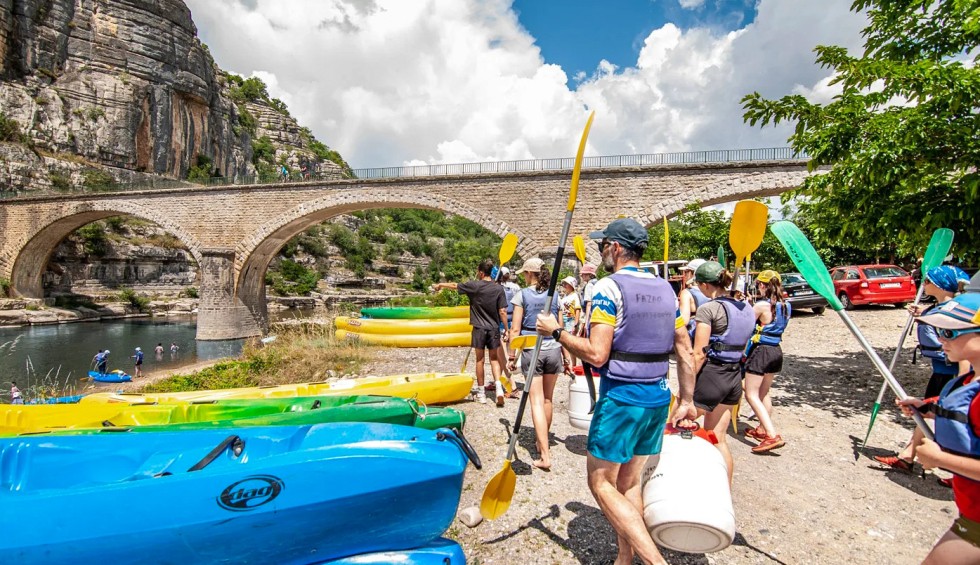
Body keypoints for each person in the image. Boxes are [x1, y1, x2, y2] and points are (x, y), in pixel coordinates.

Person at [536, 217, 697, 565]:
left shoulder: (608, 289)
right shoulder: (666, 291)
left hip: (623, 399)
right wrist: (687, 400)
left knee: (601, 484)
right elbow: (684, 348)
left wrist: (556, 332)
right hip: (658, 398)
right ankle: (625, 560)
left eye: (602, 245)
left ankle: (656, 562)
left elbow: (597, 353)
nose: (601, 251)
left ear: (617, 248)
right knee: (629, 482)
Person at [893, 293, 980, 563]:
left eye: (950, 331)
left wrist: (940, 459)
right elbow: (963, 413)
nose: (941, 338)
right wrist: (928, 408)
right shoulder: (970, 379)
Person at [875, 265, 971, 473]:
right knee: (926, 412)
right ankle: (908, 455)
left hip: (950, 374)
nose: (923, 284)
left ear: (940, 285)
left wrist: (963, 384)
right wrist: (924, 312)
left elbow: (964, 354)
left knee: (953, 420)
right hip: (941, 372)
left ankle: (953, 469)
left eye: (927, 281)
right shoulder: (941, 308)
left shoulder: (956, 312)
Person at [692, 261, 756, 482]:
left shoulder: (708, 309)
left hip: (712, 375)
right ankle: (724, 491)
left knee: (674, 425)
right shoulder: (747, 308)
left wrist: (687, 383)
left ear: (705, 285)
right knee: (717, 437)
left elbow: (699, 352)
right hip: (734, 376)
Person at [508, 257, 564, 470]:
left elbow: (515, 329)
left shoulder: (521, 295)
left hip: (533, 350)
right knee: (548, 399)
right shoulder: (556, 295)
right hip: (554, 349)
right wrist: (566, 356)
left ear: (530, 274)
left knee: (536, 402)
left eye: (524, 273)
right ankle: (542, 443)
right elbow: (560, 327)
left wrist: (511, 356)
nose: (523, 276)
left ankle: (545, 456)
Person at [433, 258, 508, 405]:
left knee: (480, 360)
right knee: (494, 359)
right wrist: (506, 329)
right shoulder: (498, 288)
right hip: (493, 328)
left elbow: (455, 285)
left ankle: (481, 393)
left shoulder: (474, 286)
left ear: (480, 272)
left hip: (479, 328)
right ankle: (499, 389)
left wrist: (441, 284)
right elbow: (503, 311)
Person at [743, 270, 791, 453]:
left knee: (751, 394)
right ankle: (763, 429)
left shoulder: (762, 306)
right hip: (776, 351)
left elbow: (746, 324)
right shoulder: (785, 305)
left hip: (761, 352)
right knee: (764, 393)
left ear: (762, 285)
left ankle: (771, 434)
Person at [678, 259, 709, 343]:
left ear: (693, 273)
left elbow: (684, 321)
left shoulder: (687, 293)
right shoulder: (712, 291)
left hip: (695, 336)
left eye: (687, 271)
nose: (685, 275)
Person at [560, 276, 582, 368]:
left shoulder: (574, 296)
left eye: (566, 284)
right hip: (564, 320)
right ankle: (567, 363)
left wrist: (576, 323)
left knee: (570, 344)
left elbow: (577, 309)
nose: (564, 285)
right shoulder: (565, 296)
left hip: (571, 321)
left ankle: (573, 364)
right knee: (564, 342)